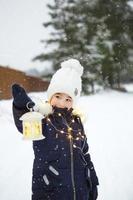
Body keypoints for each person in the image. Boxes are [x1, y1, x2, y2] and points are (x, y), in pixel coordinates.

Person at [12, 58, 99, 200]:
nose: (61, 103)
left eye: (68, 99)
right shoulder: (43, 119)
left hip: (81, 190)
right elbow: (24, 124)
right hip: (51, 191)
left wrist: (92, 180)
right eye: (58, 96)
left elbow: (85, 153)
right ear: (50, 95)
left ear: (74, 101)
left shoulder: (76, 122)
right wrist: (21, 106)